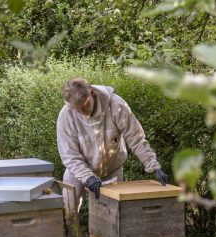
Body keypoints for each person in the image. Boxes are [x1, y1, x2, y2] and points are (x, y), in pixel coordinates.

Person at [57, 77, 168, 212]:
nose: (82, 112)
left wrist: (153, 165)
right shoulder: (66, 116)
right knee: (69, 207)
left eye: (85, 106)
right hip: (77, 170)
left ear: (92, 93)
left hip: (112, 168)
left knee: (113, 213)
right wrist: (88, 177)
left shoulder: (116, 105)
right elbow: (70, 155)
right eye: (77, 109)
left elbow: (136, 137)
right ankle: (70, 232)